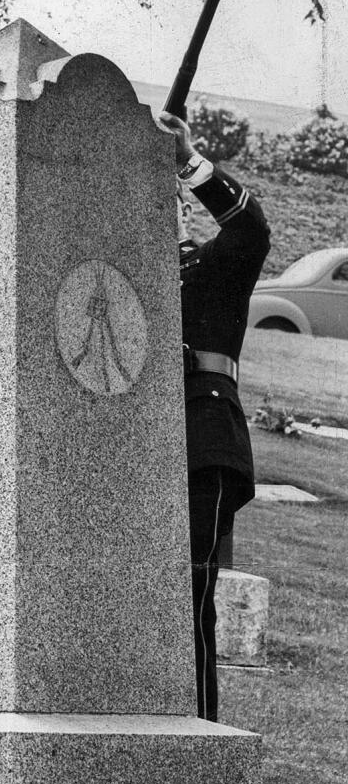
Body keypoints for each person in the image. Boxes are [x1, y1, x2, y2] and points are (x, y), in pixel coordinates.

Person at [160, 111, 271, 720]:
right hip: (138, 455)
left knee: (187, 600)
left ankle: (196, 737)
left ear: (179, 209)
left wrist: (188, 161)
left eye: (165, 199)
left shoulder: (212, 268)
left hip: (201, 445)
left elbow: (250, 231)